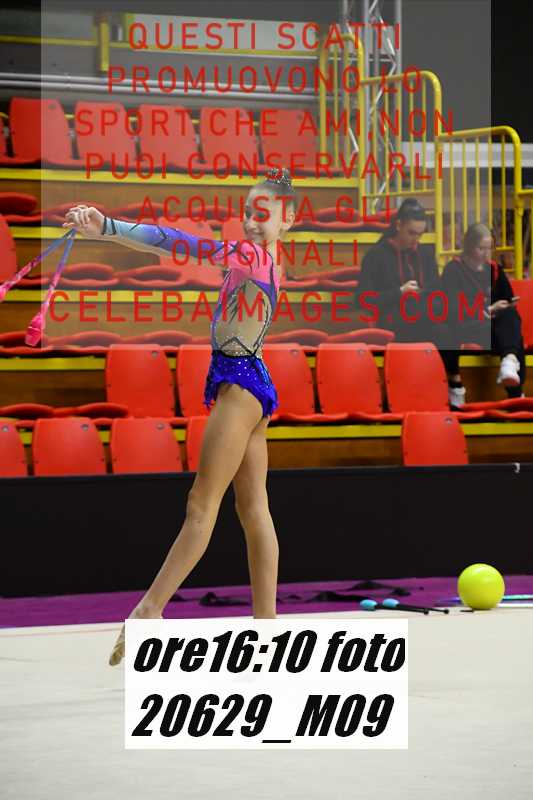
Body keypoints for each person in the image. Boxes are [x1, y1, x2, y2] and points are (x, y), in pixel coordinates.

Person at [63, 168, 296, 666]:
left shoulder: (253, 257)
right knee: (254, 509)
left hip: (241, 385)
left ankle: (149, 611)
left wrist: (106, 227)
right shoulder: (267, 259)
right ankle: (268, 630)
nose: (252, 222)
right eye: (248, 212)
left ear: (288, 219)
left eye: (264, 214)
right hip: (251, 379)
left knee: (201, 506)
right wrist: (108, 230)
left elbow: (174, 242)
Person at [440, 222, 526, 406]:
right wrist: (487, 310)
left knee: (511, 317)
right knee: (443, 329)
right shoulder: (453, 269)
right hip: (464, 328)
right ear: (469, 247)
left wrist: (506, 305)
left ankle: (509, 365)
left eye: (489, 248)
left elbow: (507, 298)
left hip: (490, 329)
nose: (486, 254)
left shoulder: (494, 269)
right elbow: (452, 309)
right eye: (481, 248)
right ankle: (515, 393)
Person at [355, 198, 451, 351]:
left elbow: (436, 288)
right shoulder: (376, 255)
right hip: (393, 317)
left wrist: (422, 293)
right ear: (399, 225)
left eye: (420, 234)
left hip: (423, 315)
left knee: (445, 327)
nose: (416, 240)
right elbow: (363, 299)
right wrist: (400, 292)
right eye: (411, 233)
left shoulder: (425, 253)